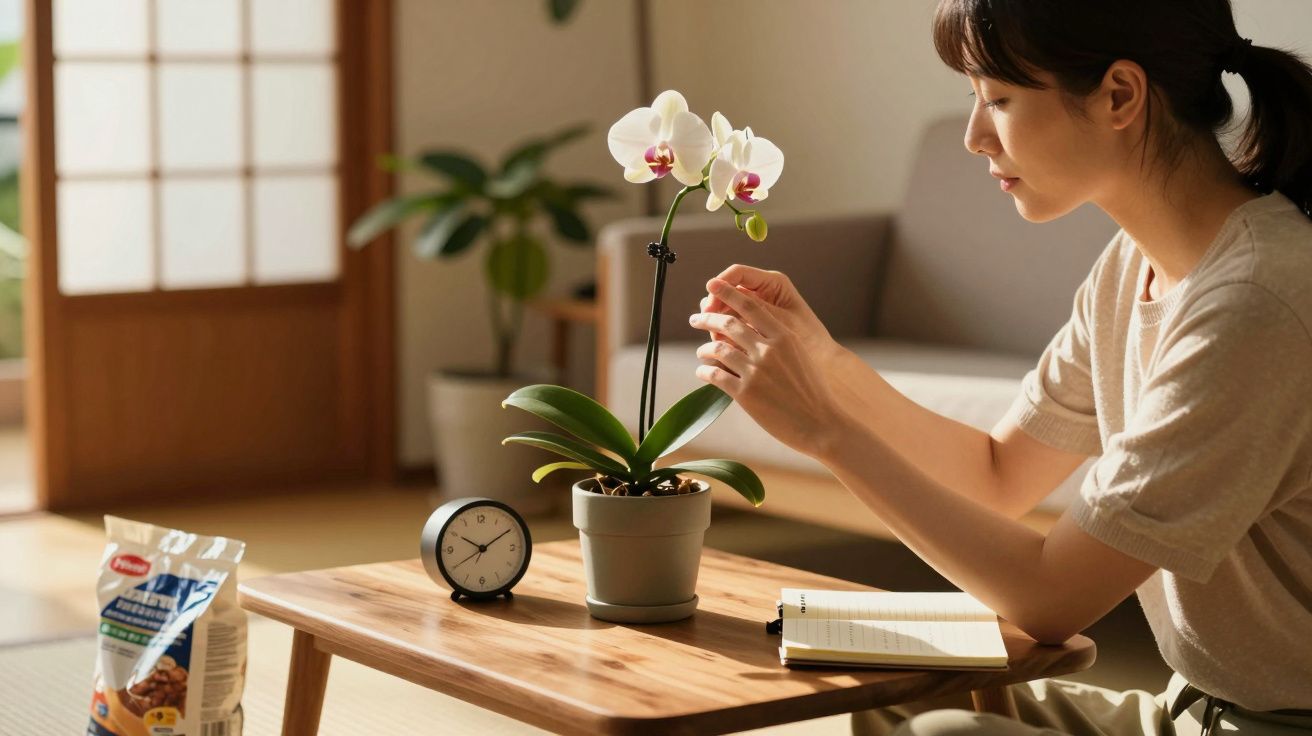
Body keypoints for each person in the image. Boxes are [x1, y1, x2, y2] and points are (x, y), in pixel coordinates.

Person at [686, 1, 1312, 734]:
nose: (974, 136)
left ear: (1120, 96)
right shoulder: (1132, 267)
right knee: (890, 694)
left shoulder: (1255, 303)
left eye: (1000, 100)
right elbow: (999, 474)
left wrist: (825, 433)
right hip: (1188, 712)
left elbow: (1050, 600)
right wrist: (827, 366)